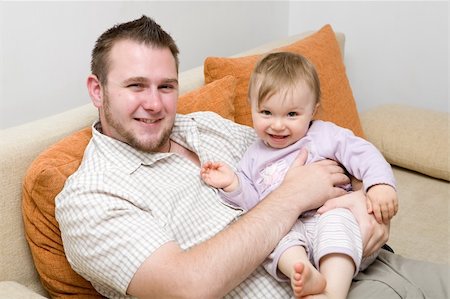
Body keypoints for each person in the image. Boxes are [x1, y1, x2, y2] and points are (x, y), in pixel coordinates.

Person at [55, 15, 448, 299]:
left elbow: (301, 149)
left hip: (359, 260)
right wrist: (295, 195)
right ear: (97, 90)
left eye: (167, 86)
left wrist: (366, 199)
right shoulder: (92, 197)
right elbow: (188, 287)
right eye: (136, 86)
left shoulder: (203, 126)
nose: (155, 104)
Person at [200, 52, 397, 298]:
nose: (278, 125)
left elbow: (365, 154)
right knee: (270, 238)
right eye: (266, 112)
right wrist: (233, 184)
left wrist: (379, 185)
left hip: (336, 224)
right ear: (251, 105)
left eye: (292, 114)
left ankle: (333, 292)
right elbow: (255, 205)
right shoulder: (252, 156)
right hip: (292, 229)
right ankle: (303, 273)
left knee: (336, 221)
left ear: (313, 111)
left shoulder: (324, 135)